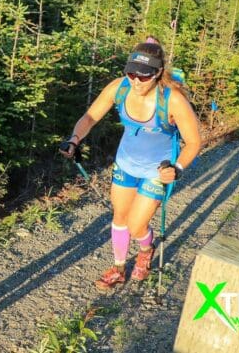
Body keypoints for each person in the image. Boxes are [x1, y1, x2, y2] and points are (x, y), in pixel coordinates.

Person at [60, 37, 201, 291]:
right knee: (120, 218)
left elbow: (193, 142)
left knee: (137, 226)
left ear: (158, 73)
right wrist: (74, 140)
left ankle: (146, 250)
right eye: (131, 73)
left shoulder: (173, 99)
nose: (136, 80)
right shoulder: (119, 87)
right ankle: (117, 268)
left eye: (144, 76)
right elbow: (90, 117)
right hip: (125, 164)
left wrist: (177, 169)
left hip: (156, 171)